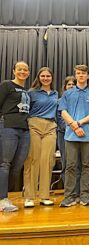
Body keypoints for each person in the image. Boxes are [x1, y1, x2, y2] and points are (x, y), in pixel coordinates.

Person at [58, 64, 89, 207]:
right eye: (78, 73)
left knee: (86, 166)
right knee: (70, 166)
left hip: (87, 135)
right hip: (71, 136)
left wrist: (79, 123)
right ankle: (69, 197)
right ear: (76, 75)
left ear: (88, 76)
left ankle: (84, 196)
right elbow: (63, 112)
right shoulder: (68, 93)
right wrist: (74, 125)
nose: (81, 75)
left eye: (83, 73)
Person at [23, 67, 58, 208]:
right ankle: (29, 197)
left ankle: (45, 196)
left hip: (50, 126)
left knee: (48, 161)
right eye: (42, 76)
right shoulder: (31, 93)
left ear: (52, 78)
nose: (45, 78)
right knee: (32, 160)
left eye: (48, 76)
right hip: (34, 125)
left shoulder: (56, 93)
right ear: (38, 77)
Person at [0, 61, 30, 212]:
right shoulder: (7, 85)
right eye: (20, 69)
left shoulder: (26, 90)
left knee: (17, 165)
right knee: (5, 163)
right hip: (8, 127)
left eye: (25, 70)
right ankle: (2, 199)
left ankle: (6, 197)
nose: (22, 72)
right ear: (14, 71)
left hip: (24, 130)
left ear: (28, 73)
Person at [57, 76, 76, 183]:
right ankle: (67, 187)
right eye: (69, 84)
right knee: (66, 161)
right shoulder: (60, 101)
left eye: (73, 84)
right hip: (63, 134)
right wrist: (71, 128)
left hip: (78, 134)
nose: (71, 86)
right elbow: (59, 118)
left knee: (77, 161)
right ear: (65, 87)